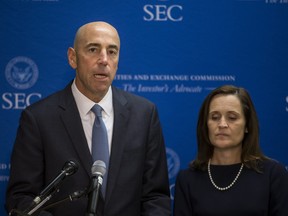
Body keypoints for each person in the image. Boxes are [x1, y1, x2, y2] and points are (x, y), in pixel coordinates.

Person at [5, 21, 171, 216]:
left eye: (112, 51)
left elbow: (156, 198)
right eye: (93, 49)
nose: (104, 60)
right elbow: (22, 198)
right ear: (72, 58)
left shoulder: (144, 114)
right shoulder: (38, 118)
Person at [173, 85, 288, 216]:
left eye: (232, 118)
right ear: (206, 125)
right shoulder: (187, 179)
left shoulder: (273, 175)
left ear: (247, 126)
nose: (222, 124)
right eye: (215, 117)